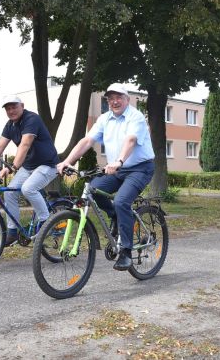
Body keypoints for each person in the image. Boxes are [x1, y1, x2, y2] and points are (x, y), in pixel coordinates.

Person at [57, 83, 155, 271]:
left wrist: (118, 161)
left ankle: (126, 251)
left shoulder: (136, 117)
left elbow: (131, 140)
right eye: (110, 98)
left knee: (121, 201)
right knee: (93, 190)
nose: (114, 101)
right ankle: (116, 218)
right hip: (117, 169)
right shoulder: (104, 119)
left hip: (139, 168)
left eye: (118, 97)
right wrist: (68, 161)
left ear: (127, 99)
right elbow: (87, 141)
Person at [0, 95, 59, 245]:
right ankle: (12, 233)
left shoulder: (31, 119)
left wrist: (13, 167)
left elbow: (25, 144)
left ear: (22, 106)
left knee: (28, 189)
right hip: (29, 166)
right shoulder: (10, 125)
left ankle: (47, 223)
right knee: (10, 192)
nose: (11, 111)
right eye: (8, 108)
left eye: (14, 107)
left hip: (47, 165)